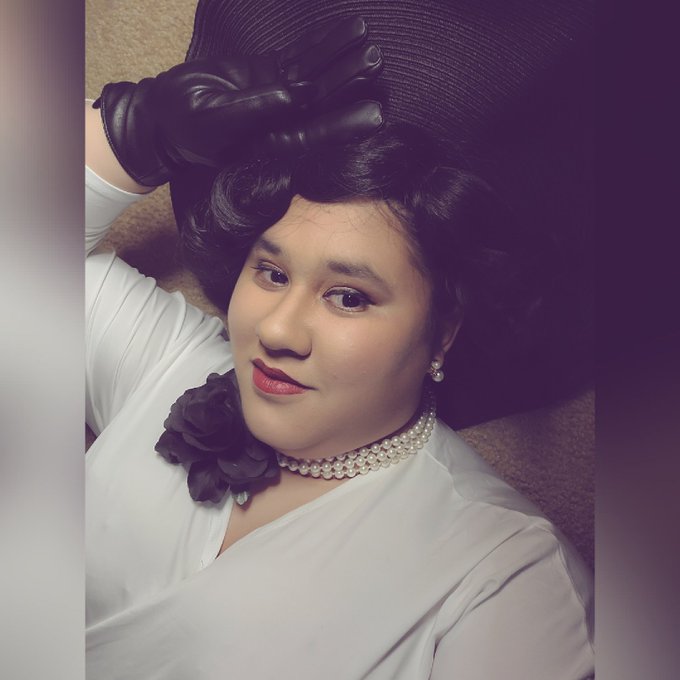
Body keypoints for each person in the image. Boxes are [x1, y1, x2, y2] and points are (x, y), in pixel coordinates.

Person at [85, 2, 594, 679]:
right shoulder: (165, 357)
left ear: (443, 331)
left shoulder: (510, 575)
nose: (276, 329)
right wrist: (133, 133)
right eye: (272, 273)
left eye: (349, 296)